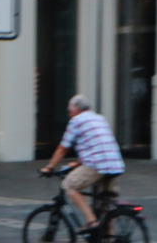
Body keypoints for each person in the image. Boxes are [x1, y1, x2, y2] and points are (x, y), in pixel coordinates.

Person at [40, 94, 125, 233]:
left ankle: (91, 221)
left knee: (69, 185)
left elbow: (63, 148)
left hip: (98, 165)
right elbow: (97, 145)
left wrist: (49, 167)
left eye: (69, 111)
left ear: (77, 109)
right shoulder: (100, 118)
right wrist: (79, 163)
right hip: (115, 164)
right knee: (106, 204)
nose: (69, 114)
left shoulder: (76, 121)